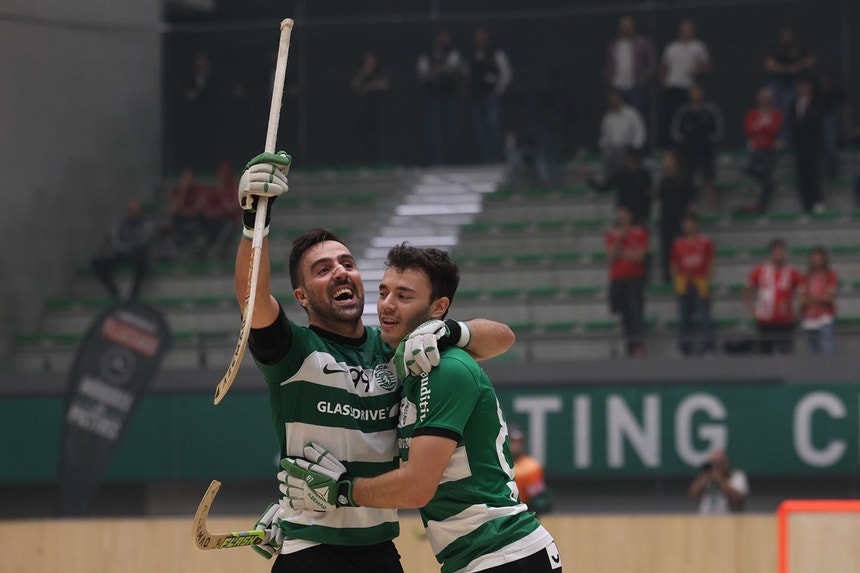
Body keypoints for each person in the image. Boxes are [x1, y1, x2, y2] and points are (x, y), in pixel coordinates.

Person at [233, 152, 515, 571]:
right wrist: (255, 224)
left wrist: (452, 330)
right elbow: (251, 297)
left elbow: (503, 338)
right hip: (311, 550)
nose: (341, 272)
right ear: (302, 297)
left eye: (348, 263)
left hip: (381, 553)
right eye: (323, 269)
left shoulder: (400, 349)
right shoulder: (294, 352)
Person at [280, 244, 562, 573]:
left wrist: (339, 491)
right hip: (482, 559)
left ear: (437, 307)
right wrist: (295, 513)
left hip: (503, 554)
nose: (386, 305)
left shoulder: (445, 368)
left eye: (404, 296)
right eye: (384, 292)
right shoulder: (408, 368)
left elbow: (415, 487)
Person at [743, 238, 804, 354]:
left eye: (781, 252)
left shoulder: (791, 272)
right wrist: (752, 310)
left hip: (785, 321)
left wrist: (798, 312)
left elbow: (803, 292)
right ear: (770, 253)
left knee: (786, 354)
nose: (778, 255)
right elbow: (746, 289)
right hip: (765, 320)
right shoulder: (760, 271)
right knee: (766, 354)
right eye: (775, 253)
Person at [670, 84, 724, 211]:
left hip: (706, 151)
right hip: (689, 152)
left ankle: (713, 208)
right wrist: (686, 143)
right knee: (688, 181)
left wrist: (708, 140)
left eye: (698, 92)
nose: (696, 95)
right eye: (693, 92)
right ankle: (690, 209)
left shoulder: (710, 109)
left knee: (709, 180)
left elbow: (719, 130)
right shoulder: (683, 111)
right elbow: (675, 132)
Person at [659, 19, 711, 148]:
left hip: (688, 88)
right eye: (684, 30)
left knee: (686, 116)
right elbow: (664, 66)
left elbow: (707, 66)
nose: (686, 33)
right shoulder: (671, 47)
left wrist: (696, 70)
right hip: (672, 87)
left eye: (689, 30)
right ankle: (670, 144)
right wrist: (664, 81)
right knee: (671, 116)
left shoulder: (698, 47)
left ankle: (688, 141)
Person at [89, 199, 155, 301]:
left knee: (144, 263)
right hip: (121, 253)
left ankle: (134, 294)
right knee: (97, 263)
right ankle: (114, 292)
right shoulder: (121, 224)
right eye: (130, 210)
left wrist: (130, 248)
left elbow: (144, 240)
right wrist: (122, 249)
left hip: (137, 254)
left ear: (140, 211)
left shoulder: (146, 223)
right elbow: (114, 240)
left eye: (135, 210)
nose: (132, 213)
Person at [606, 205, 649, 357]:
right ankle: (629, 346)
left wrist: (622, 254)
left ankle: (639, 345)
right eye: (620, 216)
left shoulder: (640, 233)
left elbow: (640, 257)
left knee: (636, 312)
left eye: (625, 216)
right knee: (624, 314)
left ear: (630, 217)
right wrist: (621, 239)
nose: (623, 218)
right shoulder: (612, 234)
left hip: (635, 279)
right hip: (618, 280)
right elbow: (611, 256)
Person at [671, 213, 715, 356]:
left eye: (691, 223)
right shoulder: (678, 244)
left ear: (696, 224)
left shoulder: (704, 242)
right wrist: (676, 281)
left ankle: (709, 347)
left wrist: (707, 278)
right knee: (683, 318)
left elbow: (711, 261)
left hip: (699, 282)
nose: (689, 226)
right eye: (686, 223)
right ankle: (684, 348)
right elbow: (674, 264)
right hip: (684, 283)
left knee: (704, 316)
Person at [417, 30, 464, 165]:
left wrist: (438, 69)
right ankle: (432, 161)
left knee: (452, 127)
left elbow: (453, 67)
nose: (445, 40)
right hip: (432, 96)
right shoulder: (427, 54)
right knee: (431, 129)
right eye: (442, 37)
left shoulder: (453, 52)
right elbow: (422, 73)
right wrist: (437, 70)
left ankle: (455, 160)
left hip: (448, 95)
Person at [467, 28, 512, 163]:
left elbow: (506, 73)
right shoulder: (471, 54)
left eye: (482, 37)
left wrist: (498, 90)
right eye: (477, 37)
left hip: (491, 96)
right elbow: (466, 73)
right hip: (476, 97)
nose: (480, 40)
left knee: (494, 126)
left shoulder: (495, 53)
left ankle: (498, 157)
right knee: (481, 130)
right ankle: (486, 159)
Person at [764, 26, 815, 141]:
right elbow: (769, 65)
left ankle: (787, 137)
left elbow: (810, 61)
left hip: (794, 84)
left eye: (789, 36)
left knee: (789, 110)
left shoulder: (799, 49)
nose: (786, 38)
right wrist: (788, 69)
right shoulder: (776, 49)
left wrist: (797, 67)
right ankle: (776, 137)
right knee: (775, 109)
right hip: (778, 83)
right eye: (784, 36)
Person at [738, 88, 783, 215]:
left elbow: (774, 129)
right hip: (755, 148)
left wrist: (760, 129)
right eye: (763, 97)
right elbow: (749, 130)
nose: (765, 100)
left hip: (769, 149)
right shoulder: (752, 113)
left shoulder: (775, 113)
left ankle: (762, 205)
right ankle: (763, 181)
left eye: (767, 97)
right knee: (745, 167)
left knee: (768, 177)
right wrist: (764, 129)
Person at [603, 15, 656, 119]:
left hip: (634, 87)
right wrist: (608, 81)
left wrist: (644, 77)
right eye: (624, 27)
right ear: (620, 28)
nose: (627, 29)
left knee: (636, 115)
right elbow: (609, 65)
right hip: (617, 87)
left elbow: (652, 63)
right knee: (617, 117)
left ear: (633, 27)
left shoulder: (642, 43)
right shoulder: (614, 45)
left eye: (629, 26)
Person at [585, 146, 652, 227]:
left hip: (639, 218)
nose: (622, 159)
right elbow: (603, 188)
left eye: (624, 156)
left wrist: (644, 216)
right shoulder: (620, 174)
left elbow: (648, 197)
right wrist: (588, 179)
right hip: (623, 217)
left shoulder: (644, 175)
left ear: (630, 157)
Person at [787, 76, 825, 213]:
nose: (802, 89)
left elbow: (815, 121)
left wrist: (802, 122)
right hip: (799, 145)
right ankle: (806, 203)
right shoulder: (794, 103)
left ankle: (817, 201)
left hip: (812, 145)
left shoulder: (816, 102)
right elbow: (792, 122)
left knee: (814, 174)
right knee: (802, 175)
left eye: (805, 86)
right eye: (800, 86)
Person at [657, 149, 696, 284]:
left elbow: (691, 201)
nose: (666, 162)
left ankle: (686, 274)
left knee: (684, 248)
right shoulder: (664, 181)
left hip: (681, 219)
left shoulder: (685, 179)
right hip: (666, 219)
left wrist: (689, 219)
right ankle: (668, 277)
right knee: (666, 248)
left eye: (668, 158)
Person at [350, 51, 391, 164]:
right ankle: (363, 160)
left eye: (371, 60)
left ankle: (378, 161)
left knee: (377, 137)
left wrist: (367, 87)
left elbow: (384, 83)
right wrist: (363, 72)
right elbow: (354, 85)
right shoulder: (362, 72)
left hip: (378, 111)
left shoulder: (380, 71)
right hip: (364, 111)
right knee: (362, 136)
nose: (369, 63)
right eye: (367, 61)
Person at [597, 89, 647, 181]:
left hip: (629, 148)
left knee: (626, 159)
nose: (613, 101)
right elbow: (605, 136)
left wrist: (635, 147)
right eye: (611, 99)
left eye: (615, 98)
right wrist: (603, 145)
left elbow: (640, 132)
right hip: (614, 149)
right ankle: (609, 183)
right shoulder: (608, 118)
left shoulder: (632, 114)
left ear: (619, 98)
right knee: (608, 158)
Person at [799, 246, 837, 355]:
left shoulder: (830, 275)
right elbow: (802, 300)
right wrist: (820, 300)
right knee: (812, 352)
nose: (817, 261)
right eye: (815, 259)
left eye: (820, 259)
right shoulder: (805, 276)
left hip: (825, 318)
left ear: (824, 260)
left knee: (828, 350)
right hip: (809, 318)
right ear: (811, 260)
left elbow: (829, 297)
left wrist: (811, 299)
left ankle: (830, 371)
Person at [508, 424, 553, 515]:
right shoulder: (496, 464)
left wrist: (537, 499)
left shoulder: (532, 467)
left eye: (518, 442)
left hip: (525, 512)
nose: (516, 446)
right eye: (512, 442)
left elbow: (541, 497)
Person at [199, 161, 241, 259]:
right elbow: (206, 207)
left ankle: (218, 255)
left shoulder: (234, 188)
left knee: (226, 227)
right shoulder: (213, 189)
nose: (222, 177)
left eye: (225, 174)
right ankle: (204, 253)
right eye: (220, 174)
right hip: (214, 220)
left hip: (231, 221)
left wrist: (222, 194)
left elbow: (232, 209)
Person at [688, 449, 749, 514]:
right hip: (705, 520)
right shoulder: (708, 476)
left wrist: (720, 480)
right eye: (714, 463)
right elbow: (692, 493)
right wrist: (704, 478)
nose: (716, 467)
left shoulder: (737, 476)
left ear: (726, 463)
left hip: (727, 520)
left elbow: (738, 497)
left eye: (719, 463)